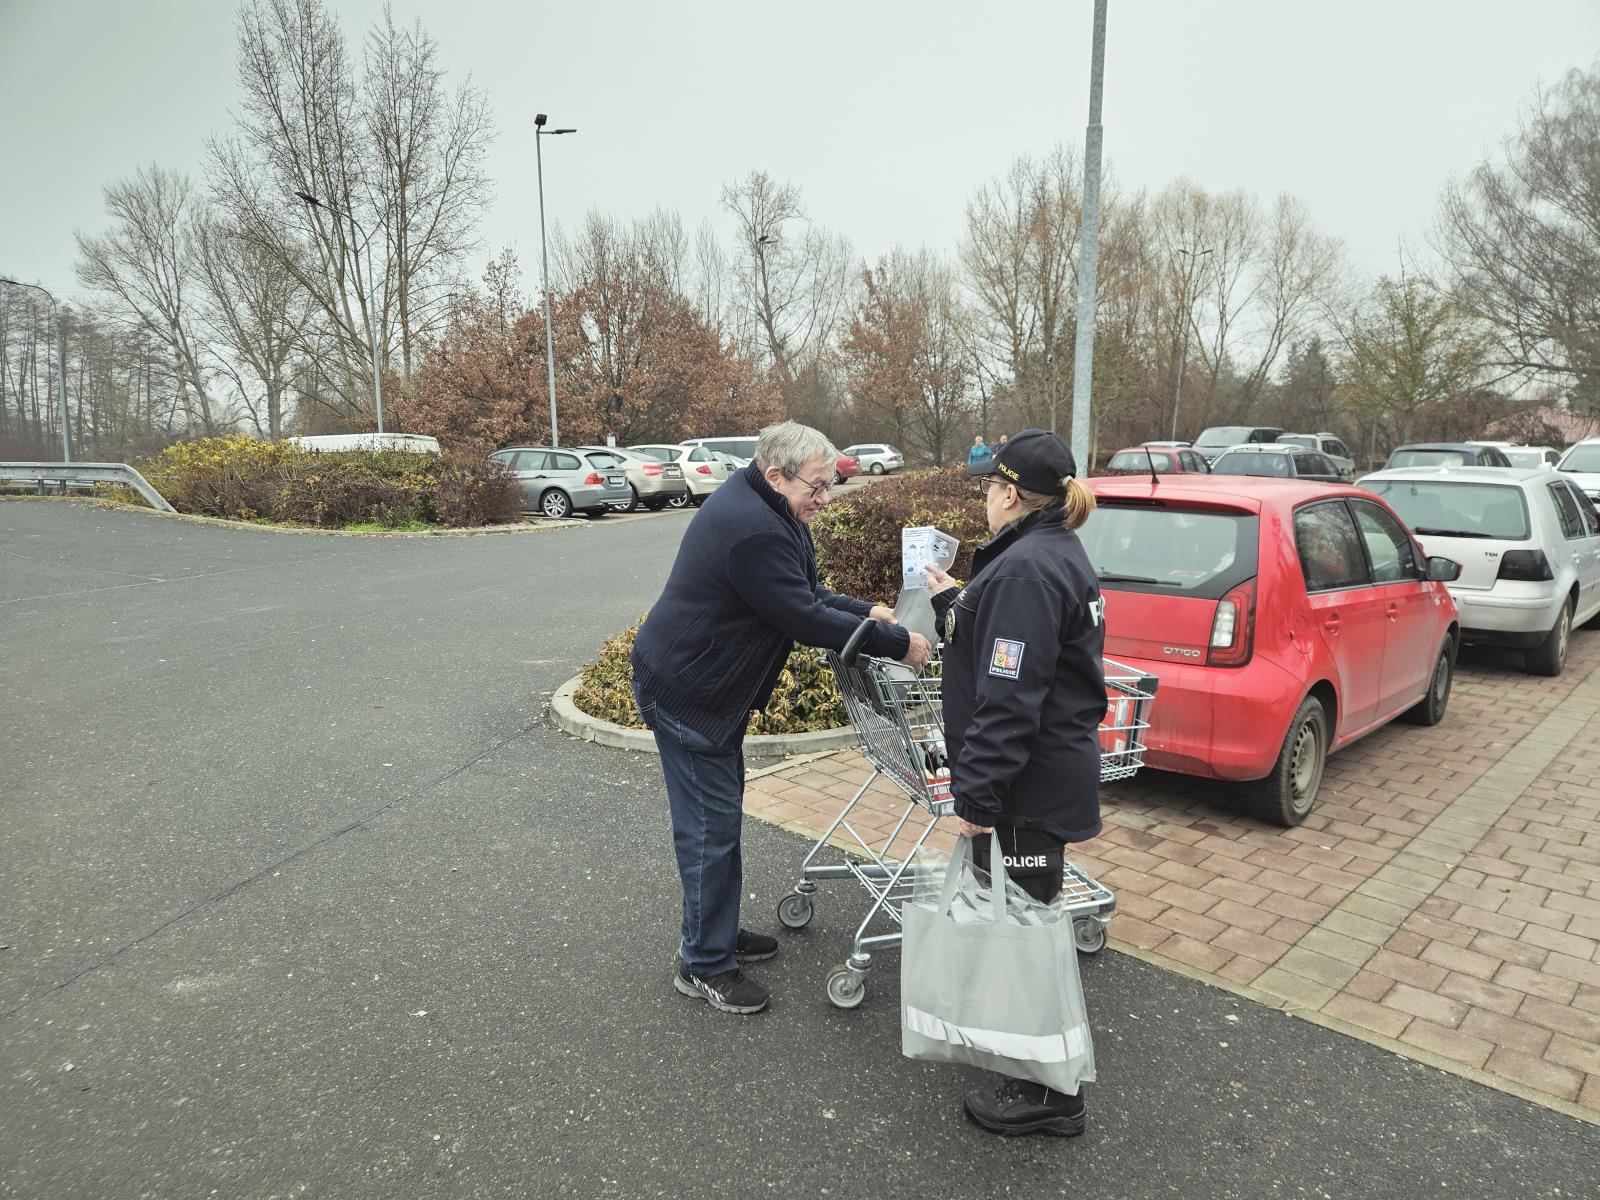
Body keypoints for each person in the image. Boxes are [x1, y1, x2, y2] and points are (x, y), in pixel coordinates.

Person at [633, 421, 934, 1015]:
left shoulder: (767, 508)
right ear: (776, 475)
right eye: (817, 488)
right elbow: (799, 615)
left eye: (828, 487)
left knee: (717, 826)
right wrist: (895, 644)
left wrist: (865, 611)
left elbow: (808, 591)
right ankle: (704, 965)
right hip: (689, 693)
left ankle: (712, 932)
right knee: (708, 835)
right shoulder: (753, 529)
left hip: (705, 689)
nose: (824, 500)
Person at [922, 427, 1107, 1139]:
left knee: (1030, 933)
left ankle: (1050, 1096)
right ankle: (1031, 1069)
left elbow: (1010, 697)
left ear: (1007, 494)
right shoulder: (1043, 555)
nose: (986, 501)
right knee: (1026, 922)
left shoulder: (1027, 570)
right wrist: (954, 603)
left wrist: (977, 800)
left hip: (1026, 785)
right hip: (1037, 776)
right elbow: (1009, 649)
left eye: (989, 490)